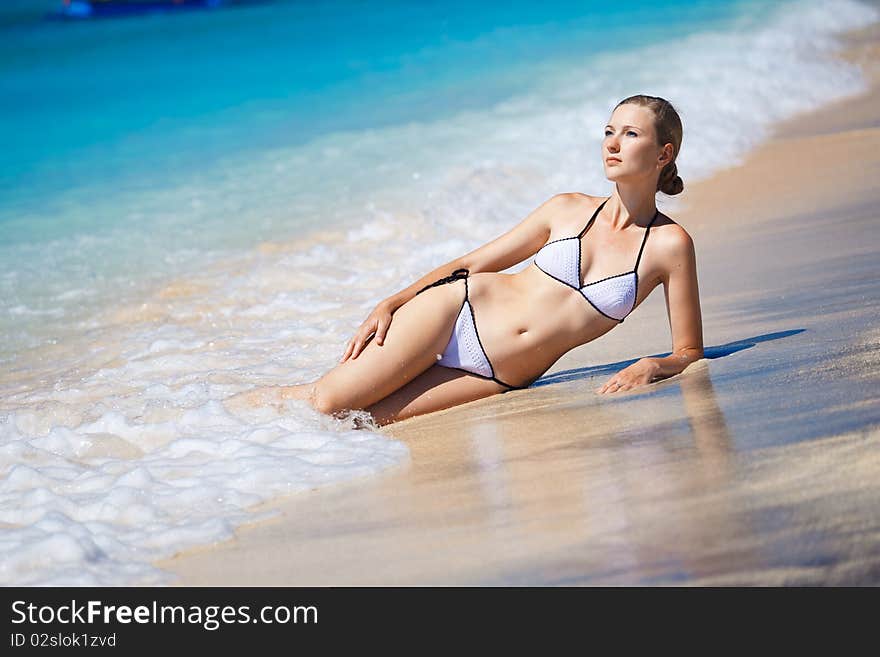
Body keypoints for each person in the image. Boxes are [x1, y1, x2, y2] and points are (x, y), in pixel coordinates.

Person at [228, 94, 704, 426]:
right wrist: (392, 302)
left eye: (630, 133)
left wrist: (653, 365)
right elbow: (472, 264)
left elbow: (689, 351)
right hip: (457, 311)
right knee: (326, 401)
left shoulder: (670, 246)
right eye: (608, 131)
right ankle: (218, 422)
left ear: (664, 153)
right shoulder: (566, 208)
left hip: (498, 375)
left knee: (359, 422)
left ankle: (241, 431)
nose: (612, 143)